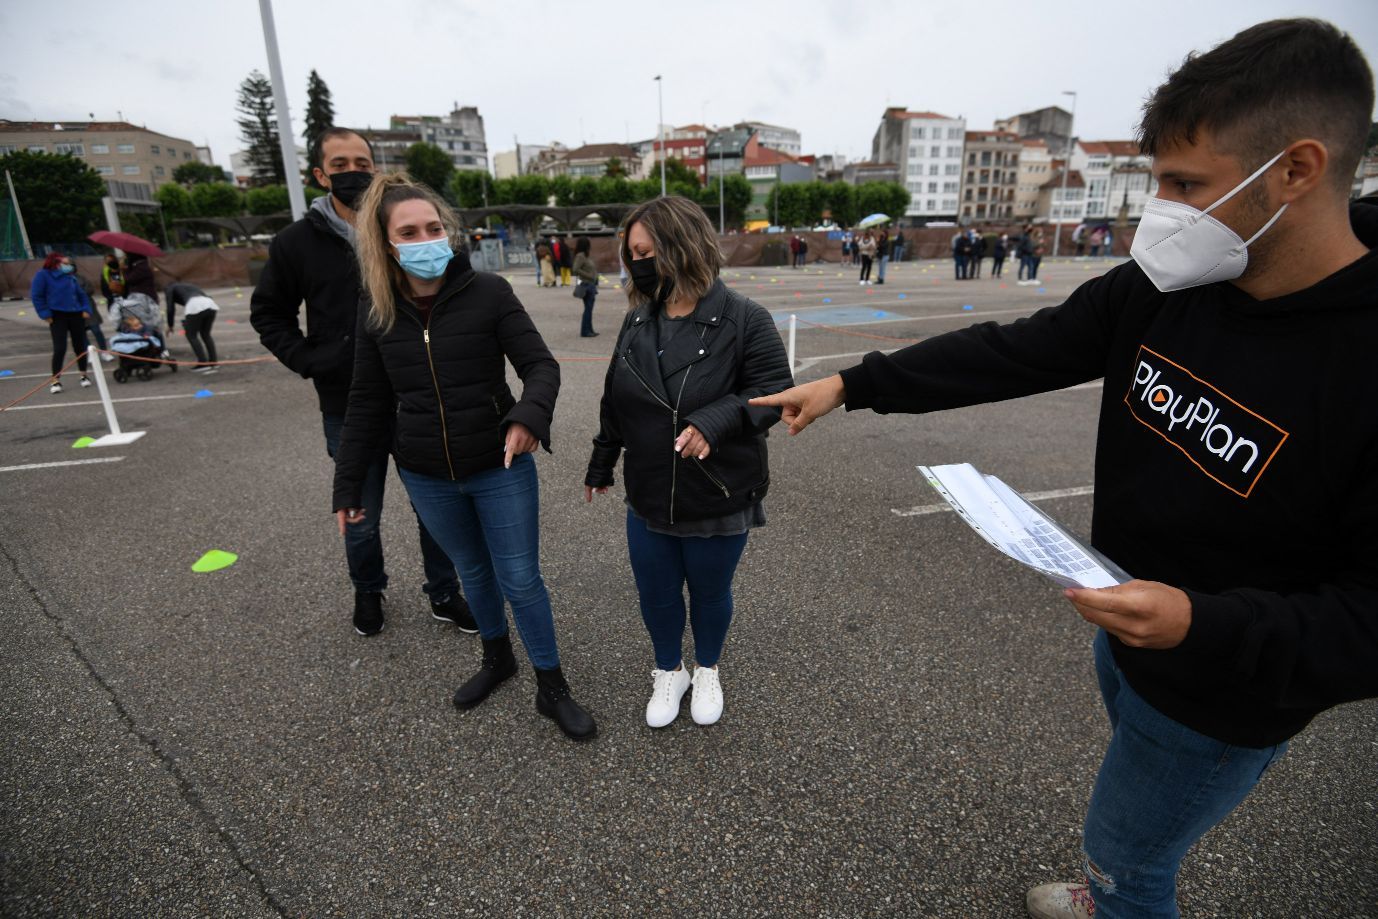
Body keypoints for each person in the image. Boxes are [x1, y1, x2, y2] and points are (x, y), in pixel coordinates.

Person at [751, 18, 1378, 919]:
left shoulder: (1359, 361)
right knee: (1130, 793)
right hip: (1124, 621)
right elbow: (1018, 350)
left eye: (1184, 184)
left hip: (1222, 684)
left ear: (1297, 169)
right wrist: (854, 382)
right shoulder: (1171, 288)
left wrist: (1203, 624)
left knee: (1129, 857)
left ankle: (1113, 894)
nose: (1159, 208)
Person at [336, 172, 595, 741]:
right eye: (410, 231)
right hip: (426, 475)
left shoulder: (488, 292)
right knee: (472, 572)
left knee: (521, 579)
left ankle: (552, 687)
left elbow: (541, 366)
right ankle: (497, 658)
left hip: (498, 468)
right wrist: (349, 485)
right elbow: (366, 400)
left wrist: (529, 416)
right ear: (386, 244)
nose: (428, 239)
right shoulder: (376, 309)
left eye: (435, 227)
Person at [250, 127, 469, 638]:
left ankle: (444, 593)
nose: (355, 172)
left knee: (435, 511)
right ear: (320, 174)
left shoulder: (399, 230)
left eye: (363, 161)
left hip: (415, 398)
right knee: (360, 514)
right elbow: (269, 314)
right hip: (346, 403)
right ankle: (368, 591)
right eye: (341, 163)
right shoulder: (294, 243)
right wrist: (312, 360)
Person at [584, 195, 793, 728]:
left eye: (649, 251)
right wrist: (601, 461)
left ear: (685, 245)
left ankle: (706, 668)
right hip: (649, 491)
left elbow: (774, 391)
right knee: (654, 593)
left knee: (709, 592)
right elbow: (615, 398)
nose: (640, 263)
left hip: (718, 491)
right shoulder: (636, 322)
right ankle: (668, 669)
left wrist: (716, 420)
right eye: (633, 254)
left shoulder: (745, 318)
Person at [31, 253, 93, 393]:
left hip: (76, 314)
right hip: (57, 316)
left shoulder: (70, 277)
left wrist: (86, 309)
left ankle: (83, 375)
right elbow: (37, 296)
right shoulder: (43, 275)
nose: (68, 266)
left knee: (80, 345)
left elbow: (81, 294)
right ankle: (55, 380)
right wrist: (45, 314)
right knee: (60, 348)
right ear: (56, 263)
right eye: (65, 263)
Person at [165, 281, 220, 373]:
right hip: (210, 304)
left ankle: (203, 363)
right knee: (205, 334)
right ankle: (213, 361)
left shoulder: (170, 289)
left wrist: (170, 325)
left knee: (191, 335)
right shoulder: (189, 285)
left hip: (194, 305)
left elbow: (170, 308)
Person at [572, 236, 599, 338]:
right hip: (586, 285)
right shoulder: (580, 256)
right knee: (588, 308)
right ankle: (585, 331)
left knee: (589, 308)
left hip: (590, 285)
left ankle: (589, 329)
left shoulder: (585, 256)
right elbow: (575, 269)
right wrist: (590, 276)